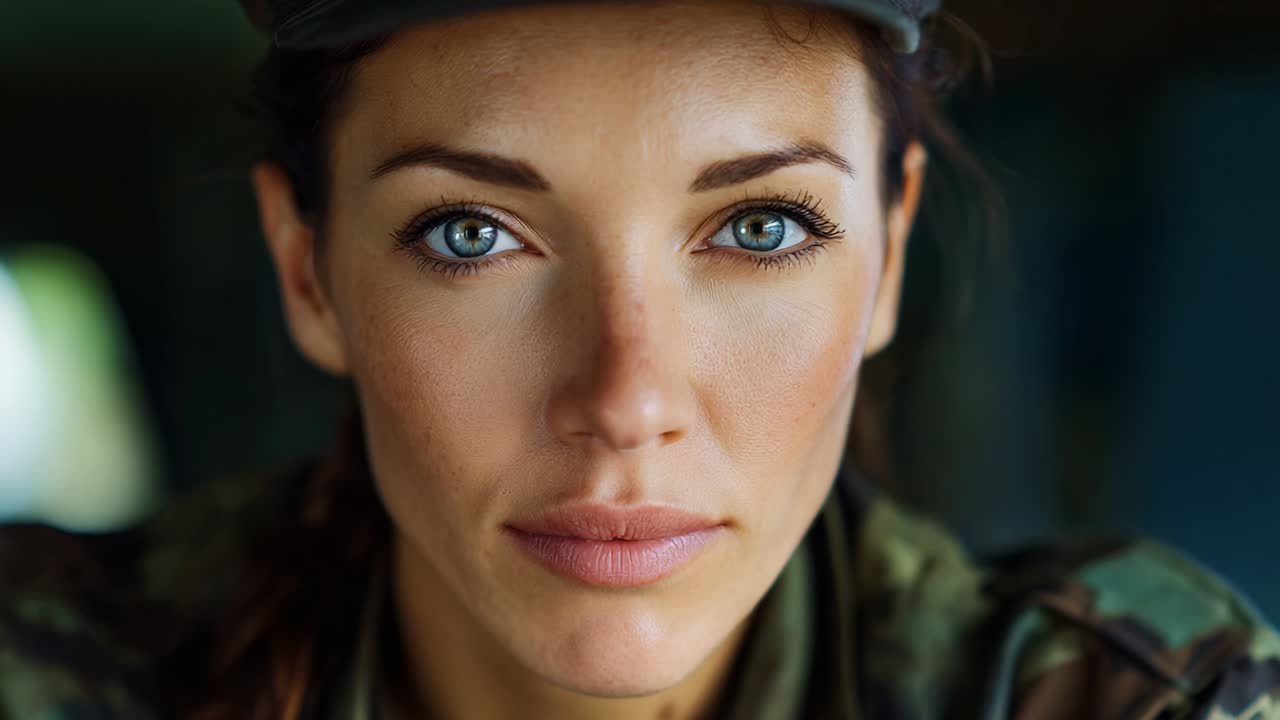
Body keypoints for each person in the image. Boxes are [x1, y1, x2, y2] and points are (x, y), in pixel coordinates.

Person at [2, 1, 1278, 718]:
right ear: (307, 272)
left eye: (759, 228)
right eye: (470, 234)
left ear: (885, 258)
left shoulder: (1118, 704)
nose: (625, 402)